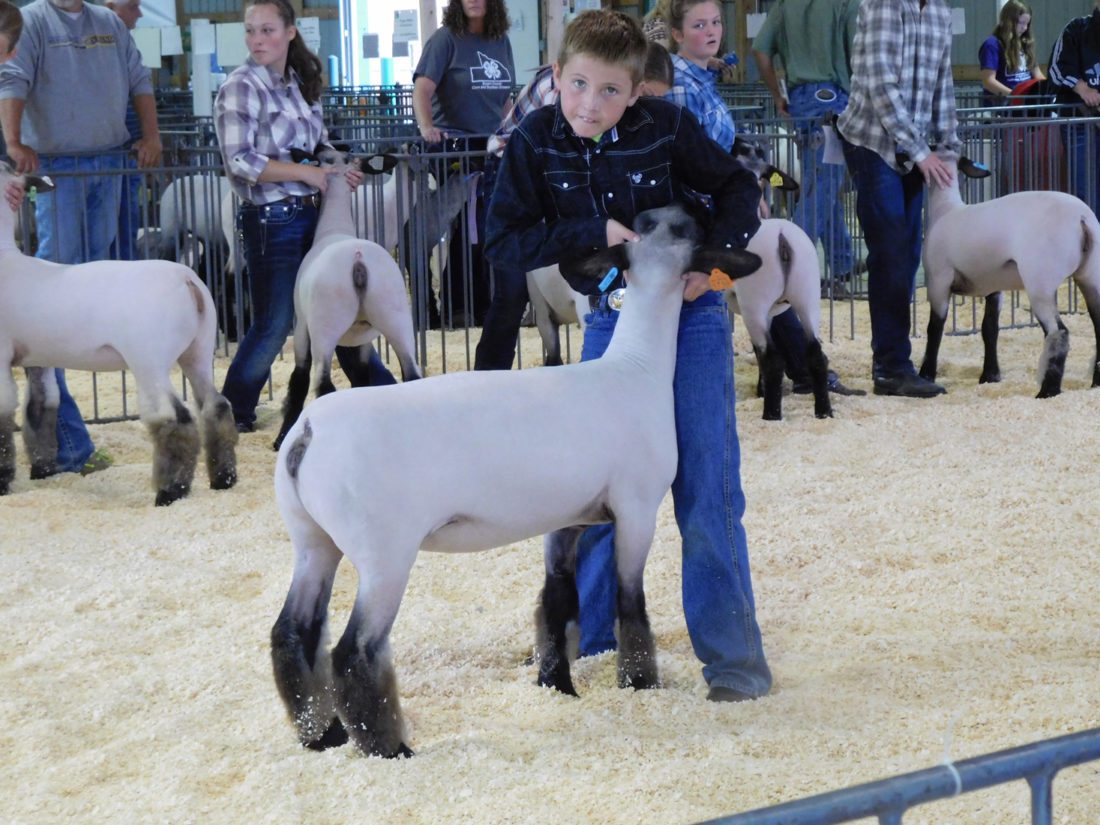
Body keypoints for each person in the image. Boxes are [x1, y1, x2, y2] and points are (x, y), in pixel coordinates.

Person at [486, 9, 772, 701]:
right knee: (586, 491)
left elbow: (739, 186)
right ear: (556, 75)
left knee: (705, 486)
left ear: (637, 89)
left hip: (689, 317)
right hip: (610, 317)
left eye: (611, 90)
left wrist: (716, 271)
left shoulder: (666, 126)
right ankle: (593, 645)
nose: (591, 104)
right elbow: (503, 240)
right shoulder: (534, 139)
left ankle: (734, 664)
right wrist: (595, 231)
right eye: (578, 85)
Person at [215, 0, 395, 434]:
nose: (257, 39)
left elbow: (318, 144)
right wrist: (307, 173)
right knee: (275, 322)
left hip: (315, 215)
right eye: (251, 31)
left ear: (290, 32)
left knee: (339, 307)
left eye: (267, 30)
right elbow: (239, 161)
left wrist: (338, 170)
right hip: (271, 218)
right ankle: (230, 413)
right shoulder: (240, 87)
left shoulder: (298, 84)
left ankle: (387, 396)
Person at [0, 0, 163, 475]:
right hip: (58, 167)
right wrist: (13, 143)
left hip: (107, 162)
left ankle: (55, 448)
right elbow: (13, 82)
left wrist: (151, 134)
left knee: (84, 294)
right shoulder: (32, 21)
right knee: (50, 306)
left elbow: (139, 78)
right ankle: (65, 443)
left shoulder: (108, 21)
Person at [668, 0, 845, 395]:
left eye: (716, 22)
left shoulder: (701, 78)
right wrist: (738, 196)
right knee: (735, 286)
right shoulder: (681, 85)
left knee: (765, 282)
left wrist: (746, 191)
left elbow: (725, 147)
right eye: (699, 25)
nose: (712, 31)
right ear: (677, 34)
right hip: (702, 213)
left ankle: (803, 371)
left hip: (724, 203)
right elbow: (696, 156)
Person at [473, 41, 675, 370]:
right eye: (649, 96)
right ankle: (487, 379)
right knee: (512, 289)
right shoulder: (571, 97)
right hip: (510, 166)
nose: (650, 108)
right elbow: (569, 154)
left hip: (554, 171)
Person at [837, 0, 959, 398]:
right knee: (890, 248)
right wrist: (921, 151)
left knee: (907, 252)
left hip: (912, 145)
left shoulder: (939, 10)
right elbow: (880, 84)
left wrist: (948, 145)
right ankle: (891, 366)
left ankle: (894, 359)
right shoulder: (884, 4)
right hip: (872, 140)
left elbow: (942, 83)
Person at [412, 0, 514, 329]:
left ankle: (479, 303)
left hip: (491, 147)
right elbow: (422, 88)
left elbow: (505, 98)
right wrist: (427, 127)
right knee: (467, 223)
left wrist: (512, 130)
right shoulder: (445, 40)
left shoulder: (501, 41)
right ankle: (458, 302)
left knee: (486, 225)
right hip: (453, 148)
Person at [752, 0, 860, 298]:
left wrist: (778, 94)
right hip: (833, 98)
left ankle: (842, 263)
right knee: (824, 185)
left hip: (799, 99)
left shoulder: (784, 5)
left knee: (821, 183)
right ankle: (787, 266)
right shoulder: (845, 3)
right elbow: (858, 54)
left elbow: (760, 51)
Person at [1049, 0, 1100, 215]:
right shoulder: (1076, 29)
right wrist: (1082, 88)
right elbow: (1056, 68)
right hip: (1079, 122)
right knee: (1085, 190)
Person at [105, 0, 144, 261]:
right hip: (113, 152)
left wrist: (147, 137)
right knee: (109, 228)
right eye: (132, 6)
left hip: (126, 152)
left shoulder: (125, 46)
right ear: (110, 8)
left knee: (124, 224)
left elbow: (141, 85)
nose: (139, 13)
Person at [979, 1, 1045, 108]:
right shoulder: (992, 45)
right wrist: (1016, 96)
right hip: (1000, 107)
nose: (1025, 28)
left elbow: (1038, 75)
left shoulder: (1025, 43)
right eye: (1021, 23)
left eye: (1027, 24)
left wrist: (1048, 91)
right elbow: (988, 81)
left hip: (1024, 106)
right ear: (1008, 21)